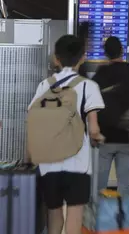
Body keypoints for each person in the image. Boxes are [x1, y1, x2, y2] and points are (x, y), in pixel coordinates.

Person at [28, 35, 105, 234]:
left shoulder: (45, 85)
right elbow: (94, 128)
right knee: (74, 212)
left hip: (48, 161)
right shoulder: (89, 86)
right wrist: (98, 138)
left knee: (53, 212)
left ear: (56, 58)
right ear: (82, 57)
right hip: (77, 162)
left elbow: (32, 118)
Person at [92, 36, 129, 198]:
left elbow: (92, 99)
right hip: (127, 134)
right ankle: (125, 218)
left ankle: (100, 218)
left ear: (105, 53)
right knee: (125, 182)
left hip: (105, 136)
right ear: (122, 51)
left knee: (100, 184)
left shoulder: (102, 72)